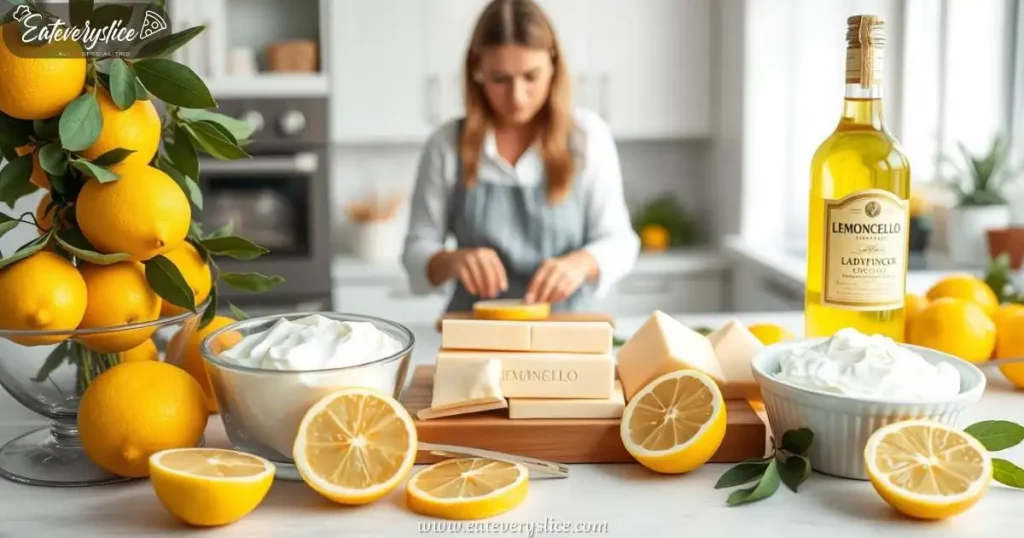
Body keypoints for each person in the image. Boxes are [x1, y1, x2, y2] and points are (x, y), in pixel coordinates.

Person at [401, 0, 639, 314]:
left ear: (553, 65)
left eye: (531, 76)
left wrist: (581, 263)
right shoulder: (446, 144)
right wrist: (452, 261)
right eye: (500, 79)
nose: (517, 97)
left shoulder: (587, 137)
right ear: (477, 70)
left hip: (565, 330)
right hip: (476, 332)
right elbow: (416, 251)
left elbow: (620, 242)